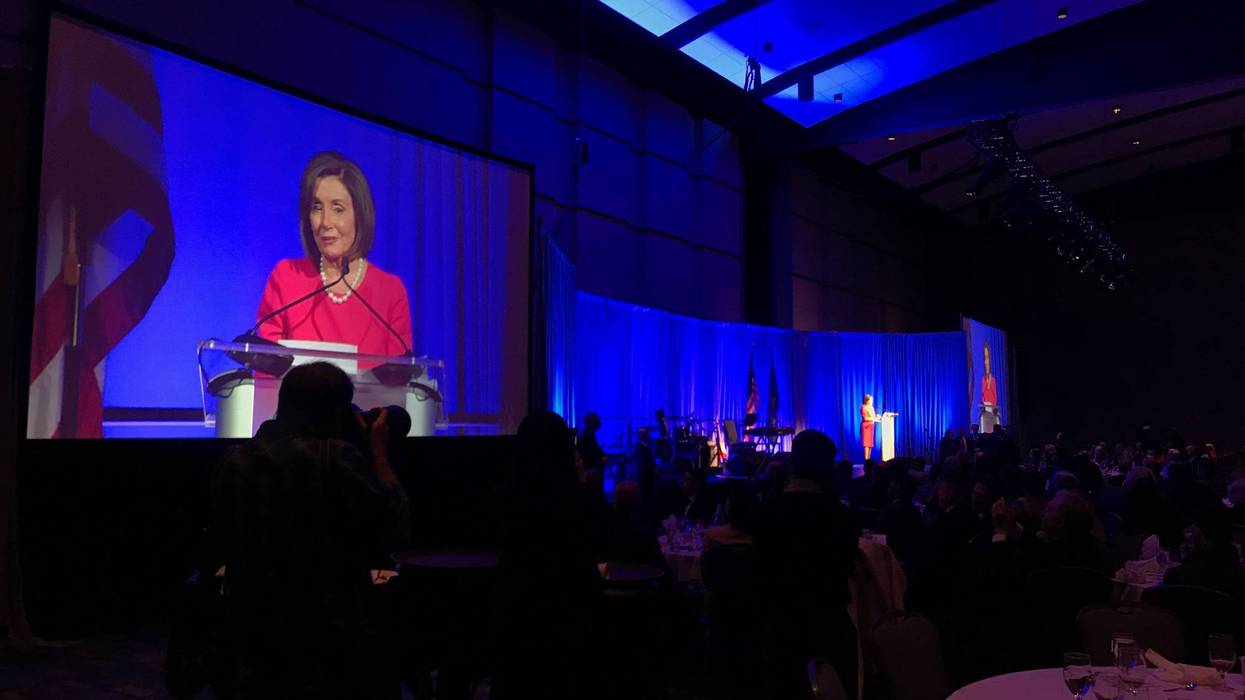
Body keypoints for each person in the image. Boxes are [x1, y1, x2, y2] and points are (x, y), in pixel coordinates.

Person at [208, 361, 410, 698]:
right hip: (331, 633)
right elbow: (396, 527)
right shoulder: (339, 460)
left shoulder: (235, 461)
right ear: (337, 411)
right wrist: (377, 452)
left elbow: (218, 539)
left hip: (251, 630)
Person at [255, 151, 413, 357]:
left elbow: (399, 379)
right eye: (317, 207)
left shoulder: (390, 292)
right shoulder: (286, 277)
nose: (325, 222)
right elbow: (266, 369)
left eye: (337, 208)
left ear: (360, 215)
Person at [861, 393, 881, 461]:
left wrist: (877, 417)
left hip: (871, 426)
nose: (872, 401)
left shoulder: (871, 407)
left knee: (870, 444)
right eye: (871, 400)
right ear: (867, 400)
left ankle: (869, 460)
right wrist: (874, 419)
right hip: (866, 427)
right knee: (866, 444)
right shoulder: (863, 407)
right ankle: (866, 460)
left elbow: (873, 417)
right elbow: (865, 418)